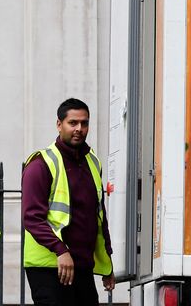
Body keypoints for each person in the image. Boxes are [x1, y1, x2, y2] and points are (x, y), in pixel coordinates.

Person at [22, 98, 115, 306]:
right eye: (72, 123)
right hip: (49, 266)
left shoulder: (93, 162)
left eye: (84, 123)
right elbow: (31, 218)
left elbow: (99, 216)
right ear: (59, 124)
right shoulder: (40, 164)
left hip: (82, 267)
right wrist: (60, 250)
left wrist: (107, 263)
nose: (79, 129)